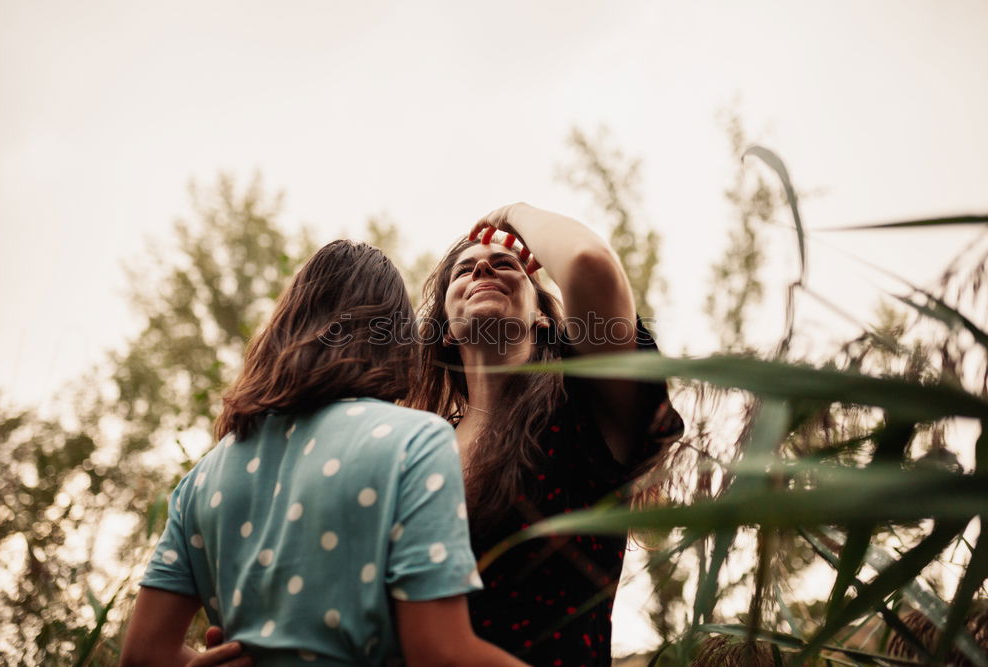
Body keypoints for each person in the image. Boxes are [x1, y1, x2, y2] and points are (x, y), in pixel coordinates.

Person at [120, 240, 528, 666]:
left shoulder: (202, 480)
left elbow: (143, 654)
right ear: (394, 338)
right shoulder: (416, 440)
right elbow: (440, 652)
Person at [407, 203, 684, 666]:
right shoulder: (415, 451)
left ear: (541, 318)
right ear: (448, 332)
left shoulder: (584, 410)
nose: (482, 267)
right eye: (464, 270)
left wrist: (512, 213)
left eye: (504, 264)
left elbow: (588, 263)